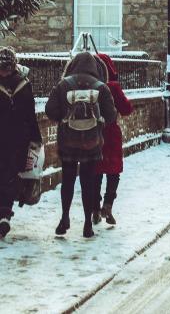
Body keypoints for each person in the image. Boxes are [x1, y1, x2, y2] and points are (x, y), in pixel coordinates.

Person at [45, 51, 116, 238]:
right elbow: (111, 116)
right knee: (88, 182)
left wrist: (64, 118)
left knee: (67, 181)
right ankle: (87, 224)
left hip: (67, 141)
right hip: (92, 143)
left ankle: (65, 218)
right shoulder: (101, 87)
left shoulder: (63, 85)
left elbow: (50, 111)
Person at [0, 46, 42, 240]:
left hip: (15, 139)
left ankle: (5, 215)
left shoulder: (23, 85)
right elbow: (30, 115)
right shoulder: (24, 84)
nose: (4, 72)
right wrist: (34, 138)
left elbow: (30, 115)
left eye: (5, 68)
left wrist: (36, 140)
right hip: (18, 138)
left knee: (8, 174)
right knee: (8, 175)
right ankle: (5, 215)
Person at [92, 53, 133, 226]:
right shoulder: (113, 87)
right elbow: (127, 109)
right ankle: (108, 205)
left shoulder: (88, 85)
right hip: (110, 133)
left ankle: (94, 206)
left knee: (95, 171)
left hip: (92, 133)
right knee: (113, 171)